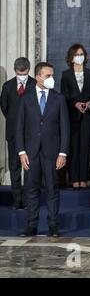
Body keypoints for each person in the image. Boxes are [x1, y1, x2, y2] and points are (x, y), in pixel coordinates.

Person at [16, 62, 70, 237]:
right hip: (31, 153)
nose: (51, 79)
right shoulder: (25, 98)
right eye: (48, 76)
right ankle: (32, 225)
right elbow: (19, 128)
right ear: (38, 77)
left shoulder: (59, 98)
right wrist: (21, 152)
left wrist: (62, 153)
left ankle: (53, 226)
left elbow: (65, 128)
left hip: (52, 153)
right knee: (31, 190)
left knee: (52, 189)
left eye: (52, 75)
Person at [61, 44, 90, 190]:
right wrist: (75, 103)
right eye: (77, 54)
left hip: (88, 115)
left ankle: (84, 179)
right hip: (72, 116)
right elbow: (64, 94)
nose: (79, 57)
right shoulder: (66, 74)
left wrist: (89, 103)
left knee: (86, 148)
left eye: (81, 54)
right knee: (74, 147)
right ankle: (74, 179)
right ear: (71, 57)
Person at [0, 57, 36, 210]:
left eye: (25, 72)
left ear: (29, 70)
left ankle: (28, 201)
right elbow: (4, 107)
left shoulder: (35, 84)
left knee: (29, 169)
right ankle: (17, 201)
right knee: (14, 168)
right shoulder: (7, 86)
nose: (22, 75)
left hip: (31, 135)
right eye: (19, 72)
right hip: (13, 134)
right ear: (15, 71)